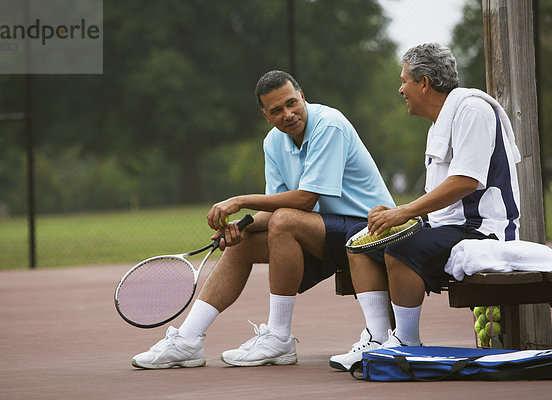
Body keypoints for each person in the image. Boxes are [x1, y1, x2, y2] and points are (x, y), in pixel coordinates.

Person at [131, 70, 395, 369]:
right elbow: (274, 211)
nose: (288, 114)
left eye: (292, 103)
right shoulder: (273, 143)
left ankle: (279, 339)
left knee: (285, 221)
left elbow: (304, 200)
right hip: (323, 231)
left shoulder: (329, 125)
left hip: (371, 230)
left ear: (303, 96)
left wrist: (240, 200)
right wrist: (240, 227)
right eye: (276, 110)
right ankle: (187, 341)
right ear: (265, 116)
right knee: (242, 244)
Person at [329, 43, 521, 371]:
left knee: (402, 250)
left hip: (483, 230)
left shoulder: (472, 110)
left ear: (425, 82)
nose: (400, 88)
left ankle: (406, 344)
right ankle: (377, 339)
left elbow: (464, 181)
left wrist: (404, 212)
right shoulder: (440, 122)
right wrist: (395, 215)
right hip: (448, 228)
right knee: (360, 243)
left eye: (404, 80)